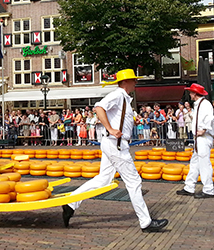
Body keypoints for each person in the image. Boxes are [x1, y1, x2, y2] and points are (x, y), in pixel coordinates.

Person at [61, 69, 168, 232]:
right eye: (133, 80)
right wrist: (110, 128)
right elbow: (98, 107)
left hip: (113, 143)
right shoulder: (118, 95)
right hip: (116, 144)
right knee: (134, 182)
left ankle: (70, 203)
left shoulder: (124, 97)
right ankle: (146, 222)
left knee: (103, 179)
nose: (135, 82)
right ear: (125, 82)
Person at [177, 83, 214, 199]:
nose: (190, 94)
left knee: (204, 163)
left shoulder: (205, 104)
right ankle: (189, 187)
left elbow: (210, 118)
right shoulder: (200, 104)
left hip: (203, 137)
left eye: (191, 92)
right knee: (195, 162)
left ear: (195, 93)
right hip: (199, 138)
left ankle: (208, 189)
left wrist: (203, 129)